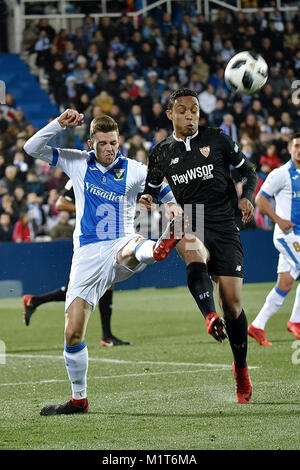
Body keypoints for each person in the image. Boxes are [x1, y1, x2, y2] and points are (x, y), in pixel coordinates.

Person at [23, 109, 182, 415]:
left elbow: (161, 186)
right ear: (91, 143)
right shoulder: (77, 162)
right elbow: (31, 148)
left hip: (119, 243)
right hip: (85, 255)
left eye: (113, 142)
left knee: (130, 247)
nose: (110, 148)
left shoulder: (133, 169)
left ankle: (158, 248)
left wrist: (172, 206)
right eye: (103, 143)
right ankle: (79, 399)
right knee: (72, 332)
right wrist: (57, 124)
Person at [140, 88, 257, 404]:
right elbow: (149, 193)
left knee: (232, 305)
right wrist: (149, 202)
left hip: (224, 222)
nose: (189, 114)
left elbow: (248, 170)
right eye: (182, 109)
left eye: (193, 109)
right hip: (189, 218)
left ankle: (241, 369)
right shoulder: (160, 153)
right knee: (191, 248)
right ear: (170, 114)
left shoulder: (217, 138)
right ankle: (208, 317)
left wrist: (248, 196)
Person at [23, 179, 131, 348]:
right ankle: (106, 336)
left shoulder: (107, 175)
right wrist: (88, 210)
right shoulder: (80, 174)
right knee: (89, 285)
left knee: (106, 283)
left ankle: (107, 335)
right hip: (88, 238)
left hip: (106, 234)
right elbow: (60, 204)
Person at [248, 133, 300, 346]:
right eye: (296, 145)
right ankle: (296, 321)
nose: (299, 149)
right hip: (287, 235)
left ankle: (257, 326)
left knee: (286, 282)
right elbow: (260, 198)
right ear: (290, 149)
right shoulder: (282, 174)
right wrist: (278, 219)